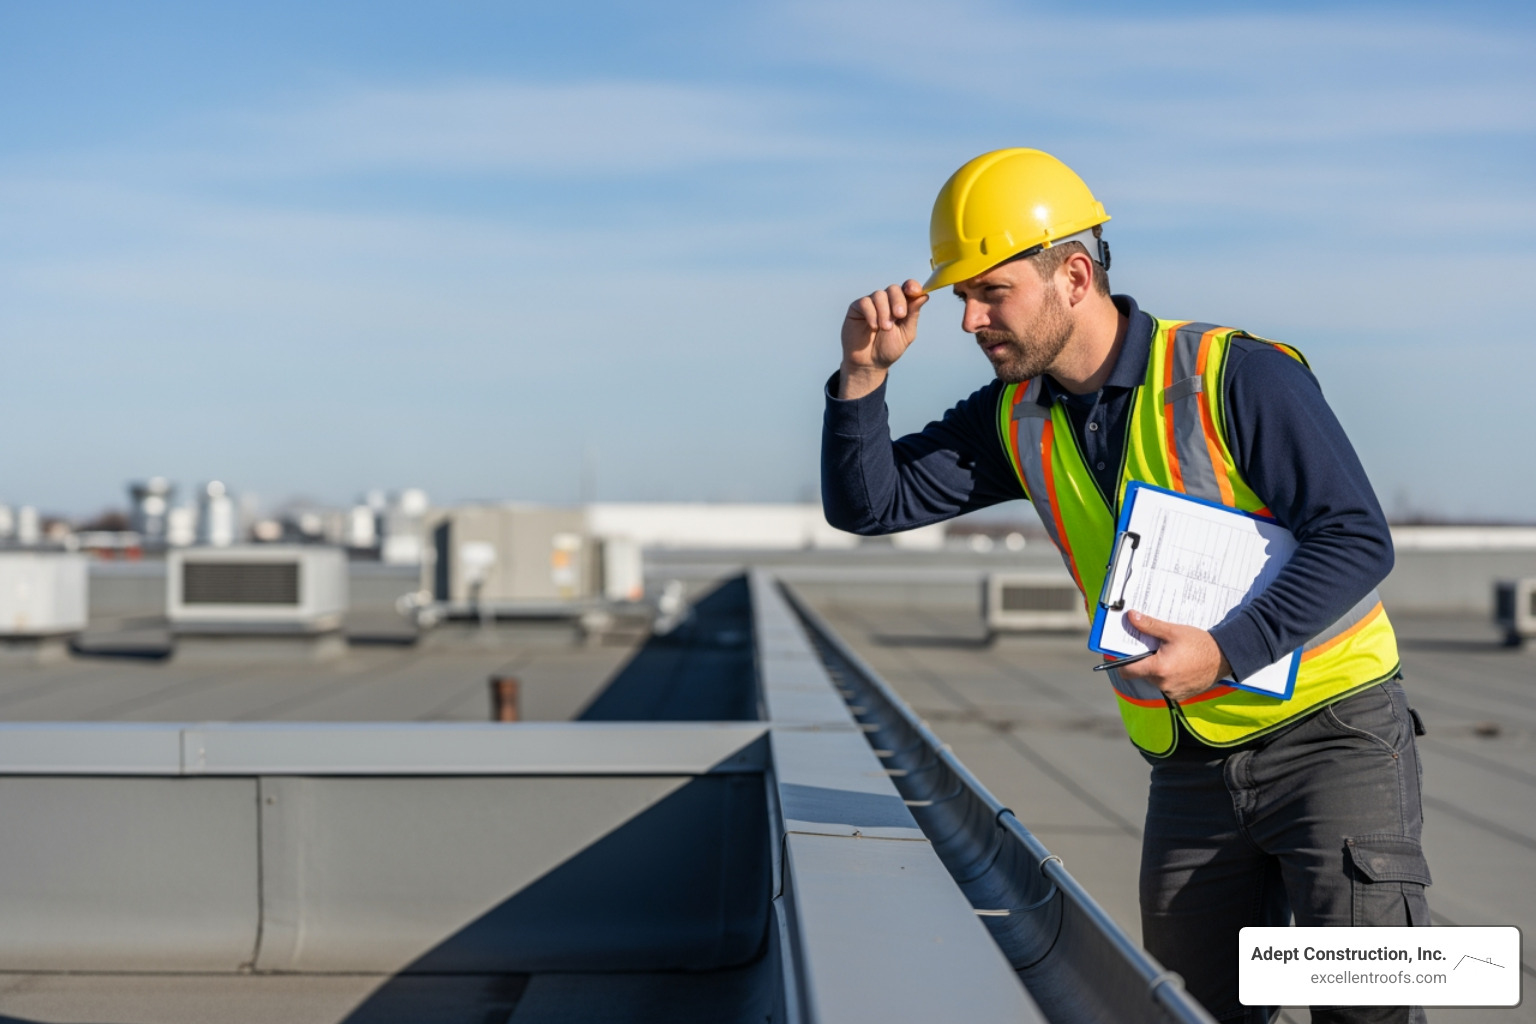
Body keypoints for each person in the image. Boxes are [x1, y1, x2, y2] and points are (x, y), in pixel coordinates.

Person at [821, 148, 1430, 1024]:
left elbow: (1357, 538)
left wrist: (1225, 652)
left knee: (1362, 1011)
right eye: (962, 297)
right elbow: (871, 505)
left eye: (992, 293)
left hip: (1332, 744)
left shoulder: (1236, 375)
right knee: (1191, 1011)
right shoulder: (1012, 413)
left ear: (1073, 275)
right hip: (1186, 766)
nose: (969, 321)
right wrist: (864, 378)